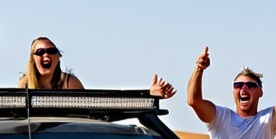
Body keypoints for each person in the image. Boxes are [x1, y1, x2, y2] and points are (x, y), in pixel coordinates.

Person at [19, 36, 176, 97]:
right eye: (40, 52)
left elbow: (101, 103)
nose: (46, 55)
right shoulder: (25, 84)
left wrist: (148, 94)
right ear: (32, 59)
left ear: (58, 57)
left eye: (51, 51)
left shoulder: (69, 83)